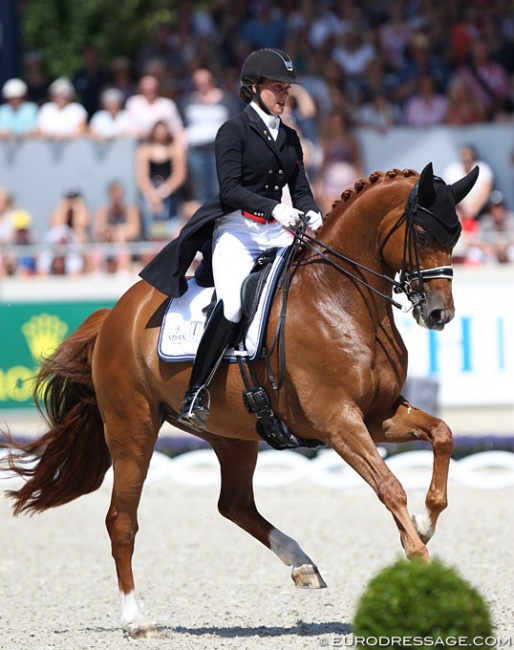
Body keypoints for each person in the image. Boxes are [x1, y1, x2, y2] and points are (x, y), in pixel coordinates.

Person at [139, 48, 323, 426]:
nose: (284, 96)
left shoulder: (289, 138)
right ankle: (195, 392)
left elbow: (301, 189)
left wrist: (312, 211)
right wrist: (275, 208)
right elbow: (231, 190)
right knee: (234, 304)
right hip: (238, 231)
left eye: (286, 88)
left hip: (276, 231)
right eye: (277, 88)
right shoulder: (233, 131)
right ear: (254, 88)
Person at [180, 67, 238, 204]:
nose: (202, 85)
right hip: (196, 151)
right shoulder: (188, 100)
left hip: (218, 150)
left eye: (204, 81)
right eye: (198, 82)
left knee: (218, 187)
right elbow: (183, 126)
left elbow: (234, 123)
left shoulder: (226, 99)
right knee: (200, 189)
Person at [136, 119, 187, 240]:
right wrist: (151, 194)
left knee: (170, 223)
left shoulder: (175, 148)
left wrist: (163, 191)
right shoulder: (144, 149)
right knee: (148, 213)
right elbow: (142, 176)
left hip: (170, 191)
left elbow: (179, 174)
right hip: (151, 192)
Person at [93, 180, 141, 273]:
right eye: (114, 196)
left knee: (122, 242)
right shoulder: (103, 211)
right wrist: (114, 231)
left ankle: (122, 271)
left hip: (126, 247)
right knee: (94, 253)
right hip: (107, 246)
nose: (116, 199)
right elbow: (98, 232)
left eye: (119, 196)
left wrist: (115, 232)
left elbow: (134, 232)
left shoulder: (130, 211)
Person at [125, 74, 184, 141]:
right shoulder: (133, 102)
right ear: (141, 89)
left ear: (158, 89)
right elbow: (129, 127)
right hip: (139, 142)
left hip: (164, 143)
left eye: (153, 89)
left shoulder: (168, 104)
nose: (150, 92)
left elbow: (177, 127)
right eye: (147, 90)